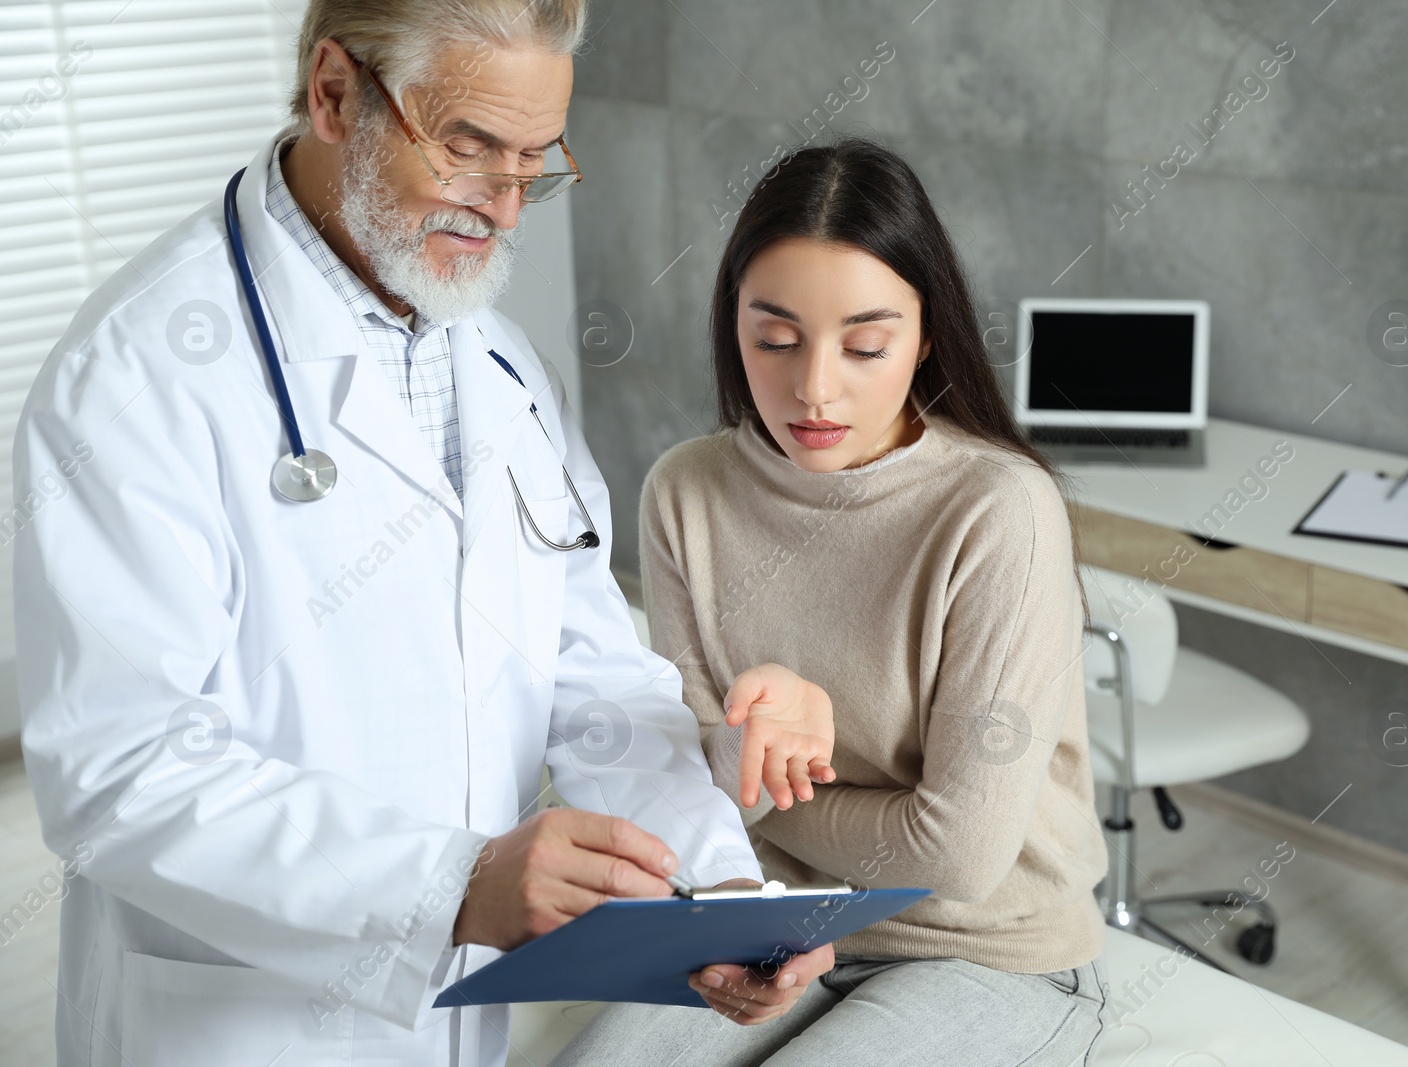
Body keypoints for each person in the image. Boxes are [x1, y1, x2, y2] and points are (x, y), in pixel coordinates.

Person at [12, 3, 829, 1064]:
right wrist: (445, 885)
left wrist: (710, 887)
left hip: (455, 1019)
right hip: (237, 1026)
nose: (503, 208)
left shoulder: (490, 356)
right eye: (467, 149)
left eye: (534, 162)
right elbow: (118, 767)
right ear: (334, 92)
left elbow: (591, 680)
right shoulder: (136, 375)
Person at [553, 138, 1111, 1067]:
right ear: (732, 325)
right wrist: (740, 749)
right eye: (775, 338)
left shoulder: (996, 510)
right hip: (775, 928)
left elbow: (960, 855)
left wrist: (754, 785)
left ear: (928, 333)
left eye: (864, 345)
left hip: (992, 948)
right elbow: (688, 776)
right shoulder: (686, 490)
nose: (814, 387)